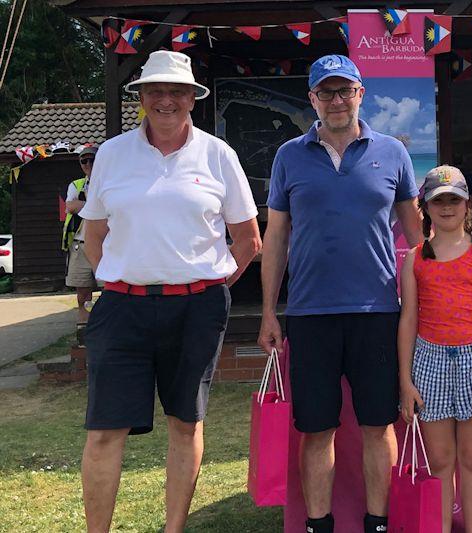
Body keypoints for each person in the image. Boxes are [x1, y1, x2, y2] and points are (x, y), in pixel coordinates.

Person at [78, 50, 261, 533]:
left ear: (192, 99)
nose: (165, 100)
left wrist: (210, 286)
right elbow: (94, 238)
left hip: (197, 307)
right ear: (140, 97)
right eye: (154, 91)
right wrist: (126, 275)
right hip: (122, 308)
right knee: (103, 431)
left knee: (186, 423)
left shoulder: (219, 155)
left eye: (176, 91)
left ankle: (173, 529)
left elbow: (248, 239)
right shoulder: (113, 154)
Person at [257, 54, 422, 533]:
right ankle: (318, 524)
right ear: (311, 99)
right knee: (315, 429)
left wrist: (437, 295)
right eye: (325, 91)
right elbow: (275, 239)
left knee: (378, 425)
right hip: (309, 314)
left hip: (377, 312)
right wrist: (269, 312)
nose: (335, 100)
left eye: (344, 90)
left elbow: (416, 236)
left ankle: (378, 523)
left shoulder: (393, 152)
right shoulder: (289, 155)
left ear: (360, 95)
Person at [398, 165, 472, 533]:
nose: (447, 207)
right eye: (438, 201)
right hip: (429, 363)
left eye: (454, 200)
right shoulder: (415, 258)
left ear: (468, 206)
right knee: (441, 460)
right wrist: (405, 381)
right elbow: (409, 320)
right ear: (425, 207)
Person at [63, 144, 101, 322]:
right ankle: (84, 329)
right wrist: (95, 208)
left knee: (110, 289)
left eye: (91, 160)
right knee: (82, 292)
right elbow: (70, 207)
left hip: (105, 244)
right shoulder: (76, 184)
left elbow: (111, 208)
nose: (87, 164)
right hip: (79, 245)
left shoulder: (108, 182)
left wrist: (83, 206)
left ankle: (106, 325)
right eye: (83, 160)